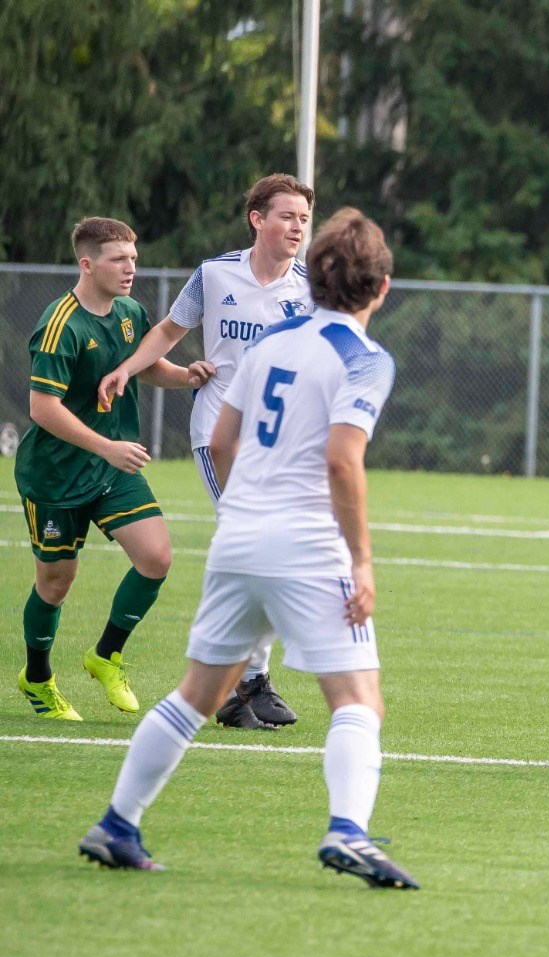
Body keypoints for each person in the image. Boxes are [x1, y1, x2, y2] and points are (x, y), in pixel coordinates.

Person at [78, 208, 418, 888]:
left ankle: (118, 822)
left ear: (314, 279)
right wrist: (362, 561)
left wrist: (244, 512)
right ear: (380, 287)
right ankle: (348, 831)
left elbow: (222, 441)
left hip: (239, 535)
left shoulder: (272, 341)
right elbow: (343, 463)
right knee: (358, 699)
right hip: (306, 544)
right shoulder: (365, 359)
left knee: (194, 696)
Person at [98, 173, 318, 730]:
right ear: (258, 219)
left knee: (274, 554)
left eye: (303, 219)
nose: (297, 227)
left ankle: (246, 680)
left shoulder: (310, 286)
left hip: (279, 439)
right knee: (259, 546)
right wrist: (126, 368)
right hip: (218, 432)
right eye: (287, 216)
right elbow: (168, 332)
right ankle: (242, 682)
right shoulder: (215, 273)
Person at [17, 217, 211, 721]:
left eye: (134, 258)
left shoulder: (129, 312)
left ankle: (105, 655)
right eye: (118, 259)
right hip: (56, 476)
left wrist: (186, 375)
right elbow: (42, 408)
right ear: (87, 264)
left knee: (156, 558)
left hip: (111, 469)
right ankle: (37, 678)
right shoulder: (61, 323)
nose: (131, 268)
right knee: (56, 584)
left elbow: (145, 365)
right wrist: (106, 446)